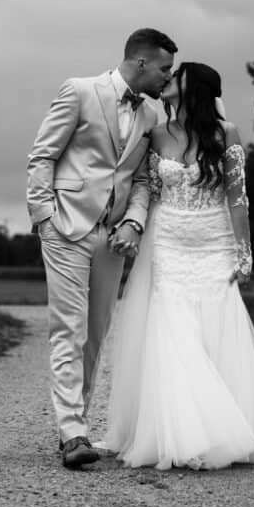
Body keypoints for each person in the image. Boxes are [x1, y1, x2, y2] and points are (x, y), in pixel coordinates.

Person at [99, 61, 254, 470]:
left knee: (217, 327)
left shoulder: (227, 134)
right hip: (168, 238)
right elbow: (142, 186)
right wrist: (130, 224)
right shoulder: (155, 134)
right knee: (172, 329)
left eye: (176, 77)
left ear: (197, 90)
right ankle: (183, 432)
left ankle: (225, 428)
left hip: (214, 239)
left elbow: (238, 199)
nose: (167, 81)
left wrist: (244, 252)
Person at [26, 28, 178, 468]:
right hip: (66, 227)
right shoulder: (79, 91)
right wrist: (44, 217)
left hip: (113, 238)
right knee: (68, 330)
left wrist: (133, 220)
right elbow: (42, 156)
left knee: (95, 335)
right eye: (164, 69)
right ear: (142, 62)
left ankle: (77, 427)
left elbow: (144, 180)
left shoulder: (150, 116)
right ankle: (72, 433)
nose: (167, 79)